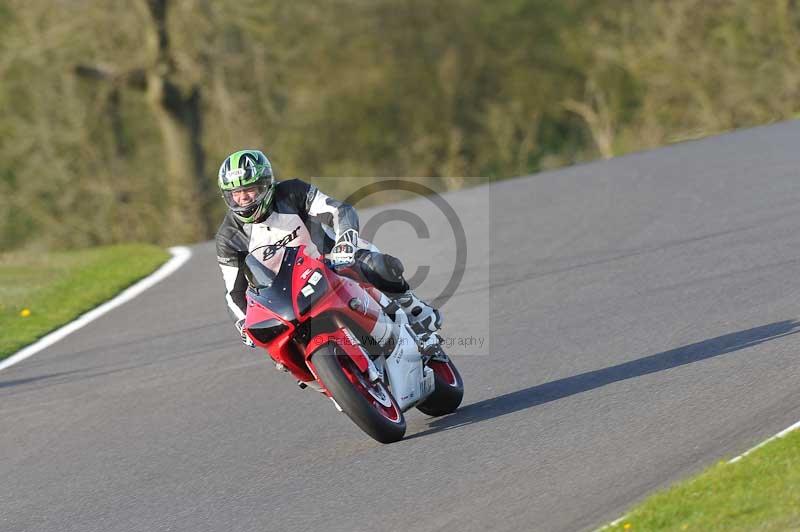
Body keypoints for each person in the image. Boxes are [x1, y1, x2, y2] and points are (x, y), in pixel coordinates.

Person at [215, 149, 442, 348]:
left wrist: (345, 241)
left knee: (377, 266)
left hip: (331, 261)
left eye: (250, 189)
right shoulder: (228, 237)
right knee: (276, 345)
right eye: (236, 193)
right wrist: (244, 322)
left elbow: (339, 210)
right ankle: (326, 382)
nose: (243, 198)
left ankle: (411, 306)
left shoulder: (292, 192)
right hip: (286, 296)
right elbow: (233, 292)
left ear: (265, 185)